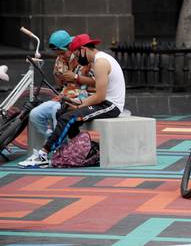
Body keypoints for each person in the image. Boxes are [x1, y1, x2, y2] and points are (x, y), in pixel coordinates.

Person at [18, 34, 126, 168]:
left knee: (69, 117)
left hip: (111, 105)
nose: (77, 57)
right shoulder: (99, 60)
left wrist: (79, 104)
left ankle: (43, 154)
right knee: (61, 112)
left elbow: (100, 96)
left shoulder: (101, 63)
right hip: (102, 102)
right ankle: (84, 149)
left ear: (83, 49)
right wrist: (75, 104)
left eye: (77, 53)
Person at [28, 30, 95, 143]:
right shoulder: (60, 58)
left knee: (57, 110)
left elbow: (96, 82)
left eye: (62, 53)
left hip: (83, 98)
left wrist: (75, 77)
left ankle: (59, 150)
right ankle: (51, 139)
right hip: (64, 96)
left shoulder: (84, 56)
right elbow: (60, 85)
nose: (60, 56)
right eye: (58, 53)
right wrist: (58, 76)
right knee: (35, 114)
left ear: (70, 47)